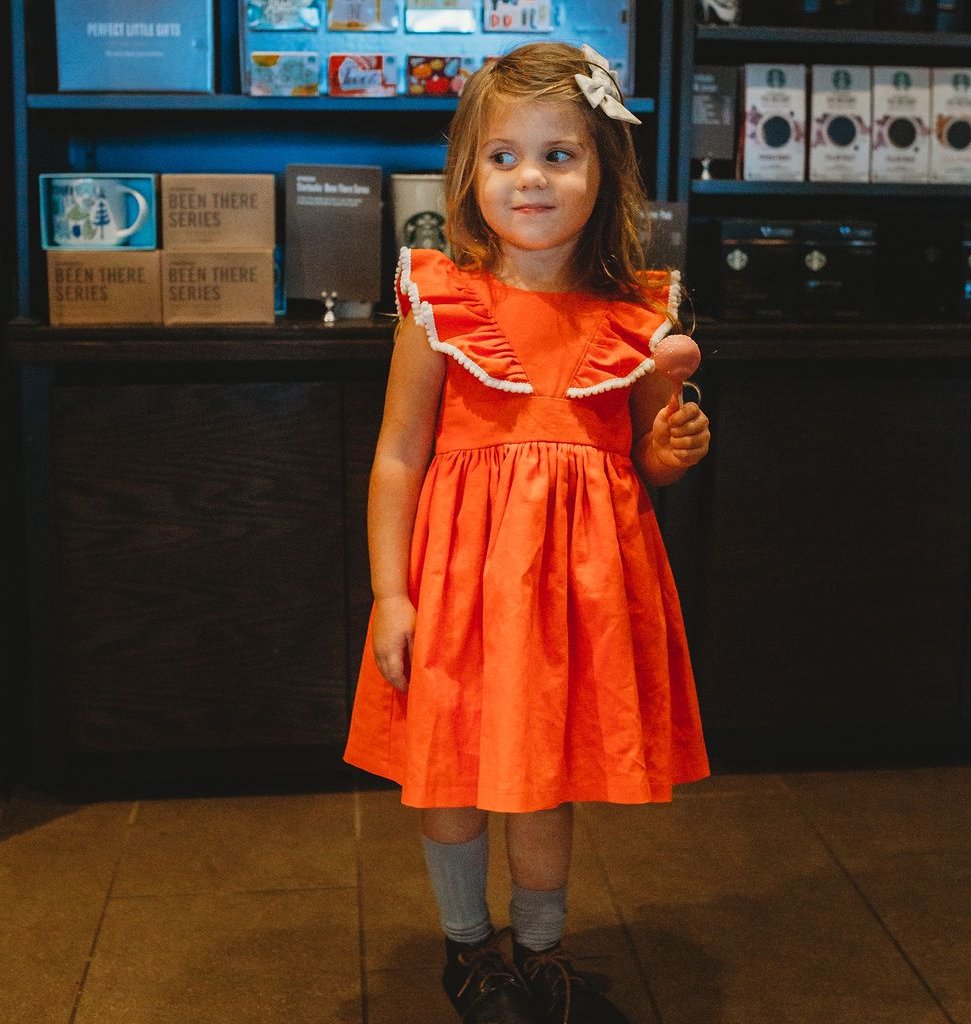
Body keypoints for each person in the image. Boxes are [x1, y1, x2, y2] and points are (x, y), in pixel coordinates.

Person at [344, 41, 711, 1024]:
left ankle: (540, 950)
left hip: (571, 603)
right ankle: (470, 949)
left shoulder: (634, 315)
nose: (531, 179)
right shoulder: (438, 305)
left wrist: (675, 445)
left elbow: (643, 459)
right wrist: (392, 591)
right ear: (467, 172)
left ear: (603, 170)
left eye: (560, 155)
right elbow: (397, 456)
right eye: (503, 156)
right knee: (452, 778)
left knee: (545, 785)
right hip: (459, 592)